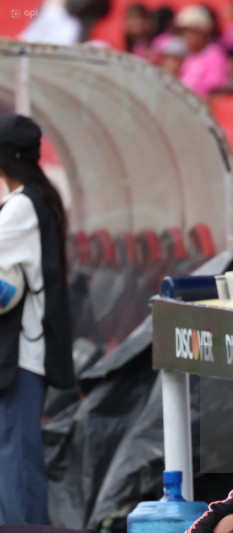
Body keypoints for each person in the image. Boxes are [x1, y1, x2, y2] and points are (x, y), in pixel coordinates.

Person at [0, 114, 74, 525]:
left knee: (17, 462)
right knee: (14, 458)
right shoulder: (34, 199)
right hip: (21, 353)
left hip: (21, 355)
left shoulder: (22, 206)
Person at [174, 5, 228, 98]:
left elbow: (214, 93)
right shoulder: (188, 56)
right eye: (183, 32)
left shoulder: (215, 55)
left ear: (204, 32)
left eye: (191, 31)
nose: (186, 36)